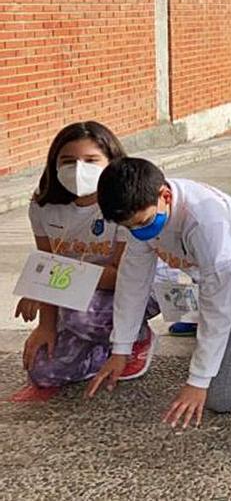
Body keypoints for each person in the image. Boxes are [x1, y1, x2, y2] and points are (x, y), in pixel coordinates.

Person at [88, 158, 231, 426]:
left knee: (223, 396)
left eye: (143, 223)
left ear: (165, 195)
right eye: (130, 227)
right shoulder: (139, 210)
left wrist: (198, 381)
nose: (139, 232)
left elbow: (219, 302)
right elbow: (133, 280)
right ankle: (218, 342)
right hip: (204, 280)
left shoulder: (204, 221)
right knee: (213, 349)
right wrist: (121, 349)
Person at [17, 122, 155, 399]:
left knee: (81, 316)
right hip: (79, 294)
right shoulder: (44, 207)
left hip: (135, 289)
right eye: (68, 161)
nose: (79, 169)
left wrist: (46, 280)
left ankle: (137, 337)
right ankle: (101, 351)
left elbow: (119, 276)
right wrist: (46, 325)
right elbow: (48, 259)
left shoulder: (123, 203)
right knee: (43, 371)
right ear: (54, 165)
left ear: (111, 162)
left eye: (91, 160)